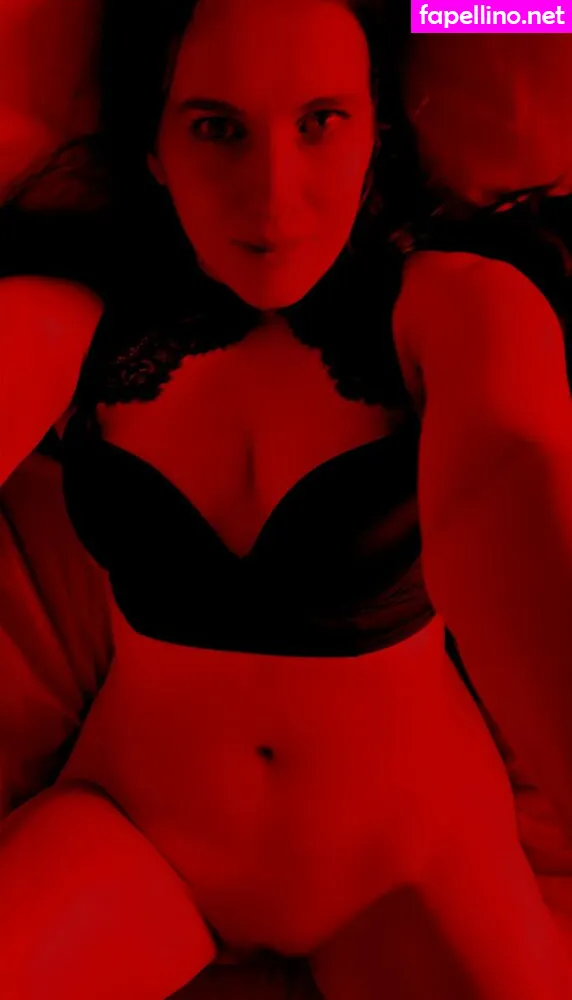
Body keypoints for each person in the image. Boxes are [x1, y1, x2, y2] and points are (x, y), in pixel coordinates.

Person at [1, 1, 572, 997]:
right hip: (138, 834)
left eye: (319, 121)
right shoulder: (69, 320)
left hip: (411, 861)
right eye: (217, 127)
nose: (274, 195)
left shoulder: (460, 305)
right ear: (154, 149)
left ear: (375, 130)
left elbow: (509, 482)